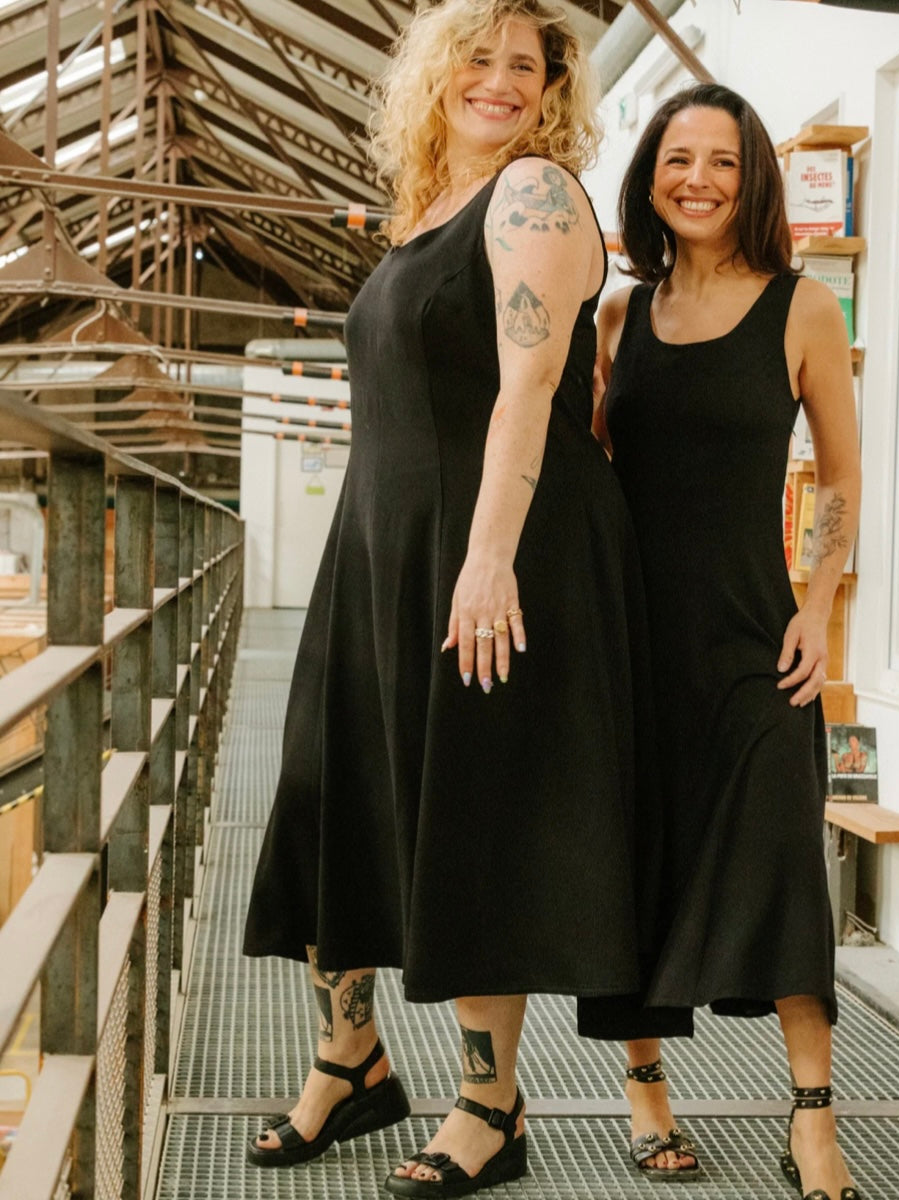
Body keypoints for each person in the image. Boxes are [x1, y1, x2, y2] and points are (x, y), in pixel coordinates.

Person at [242, 2, 656, 1195]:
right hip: (383, 544)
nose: (502, 80)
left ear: (553, 90)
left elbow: (529, 387)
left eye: (527, 65)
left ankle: (490, 1105)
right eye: (479, 58)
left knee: (470, 814)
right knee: (331, 796)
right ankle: (353, 1061)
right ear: (435, 74)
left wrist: (486, 560)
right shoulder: (426, 209)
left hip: (489, 547)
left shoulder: (534, 194)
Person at [589, 84, 863, 1200]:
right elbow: (588, 473)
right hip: (630, 639)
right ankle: (647, 1097)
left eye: (722, 161)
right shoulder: (618, 318)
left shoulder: (803, 309)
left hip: (756, 640)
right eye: (677, 158)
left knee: (784, 866)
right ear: (649, 176)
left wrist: (817, 605)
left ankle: (813, 1119)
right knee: (634, 869)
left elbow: (838, 475)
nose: (697, 179)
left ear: (752, 180)